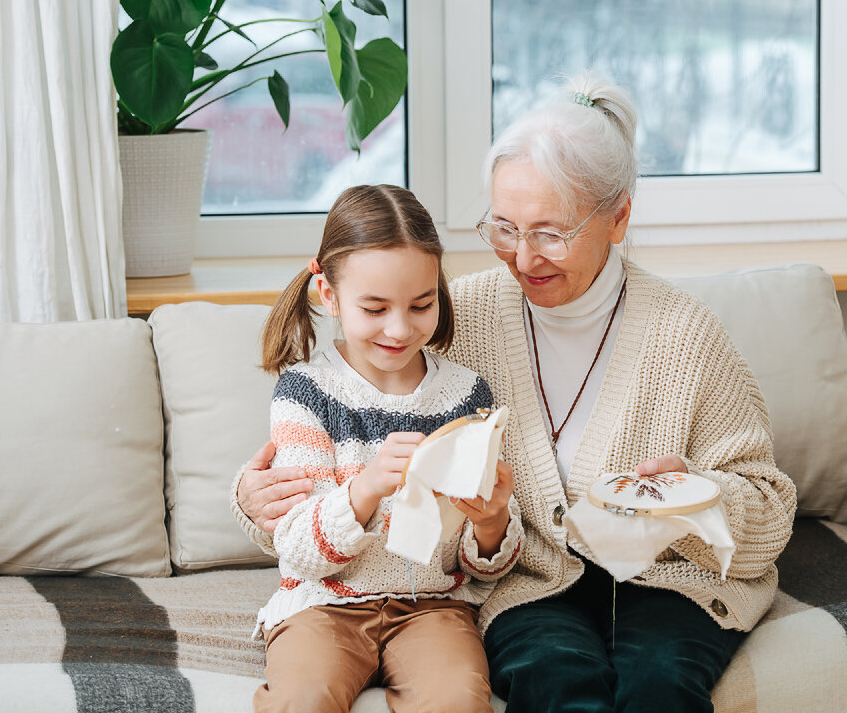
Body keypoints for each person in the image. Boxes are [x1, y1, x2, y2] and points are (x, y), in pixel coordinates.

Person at [235, 76, 796, 713]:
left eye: (551, 233)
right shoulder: (449, 319)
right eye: (504, 228)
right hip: (534, 584)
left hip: (668, 583)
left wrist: (697, 499)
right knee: (554, 681)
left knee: (658, 688)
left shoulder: (686, 334)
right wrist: (254, 502)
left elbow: (770, 513)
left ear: (618, 218)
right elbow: (333, 472)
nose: (523, 258)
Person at [248, 184, 522, 713]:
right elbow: (298, 548)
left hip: (432, 608)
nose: (400, 329)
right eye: (374, 308)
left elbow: (485, 567)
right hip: (323, 605)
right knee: (301, 700)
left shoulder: (466, 394)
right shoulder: (306, 393)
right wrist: (367, 487)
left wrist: (491, 524)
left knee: (458, 701)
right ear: (328, 294)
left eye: (421, 305)